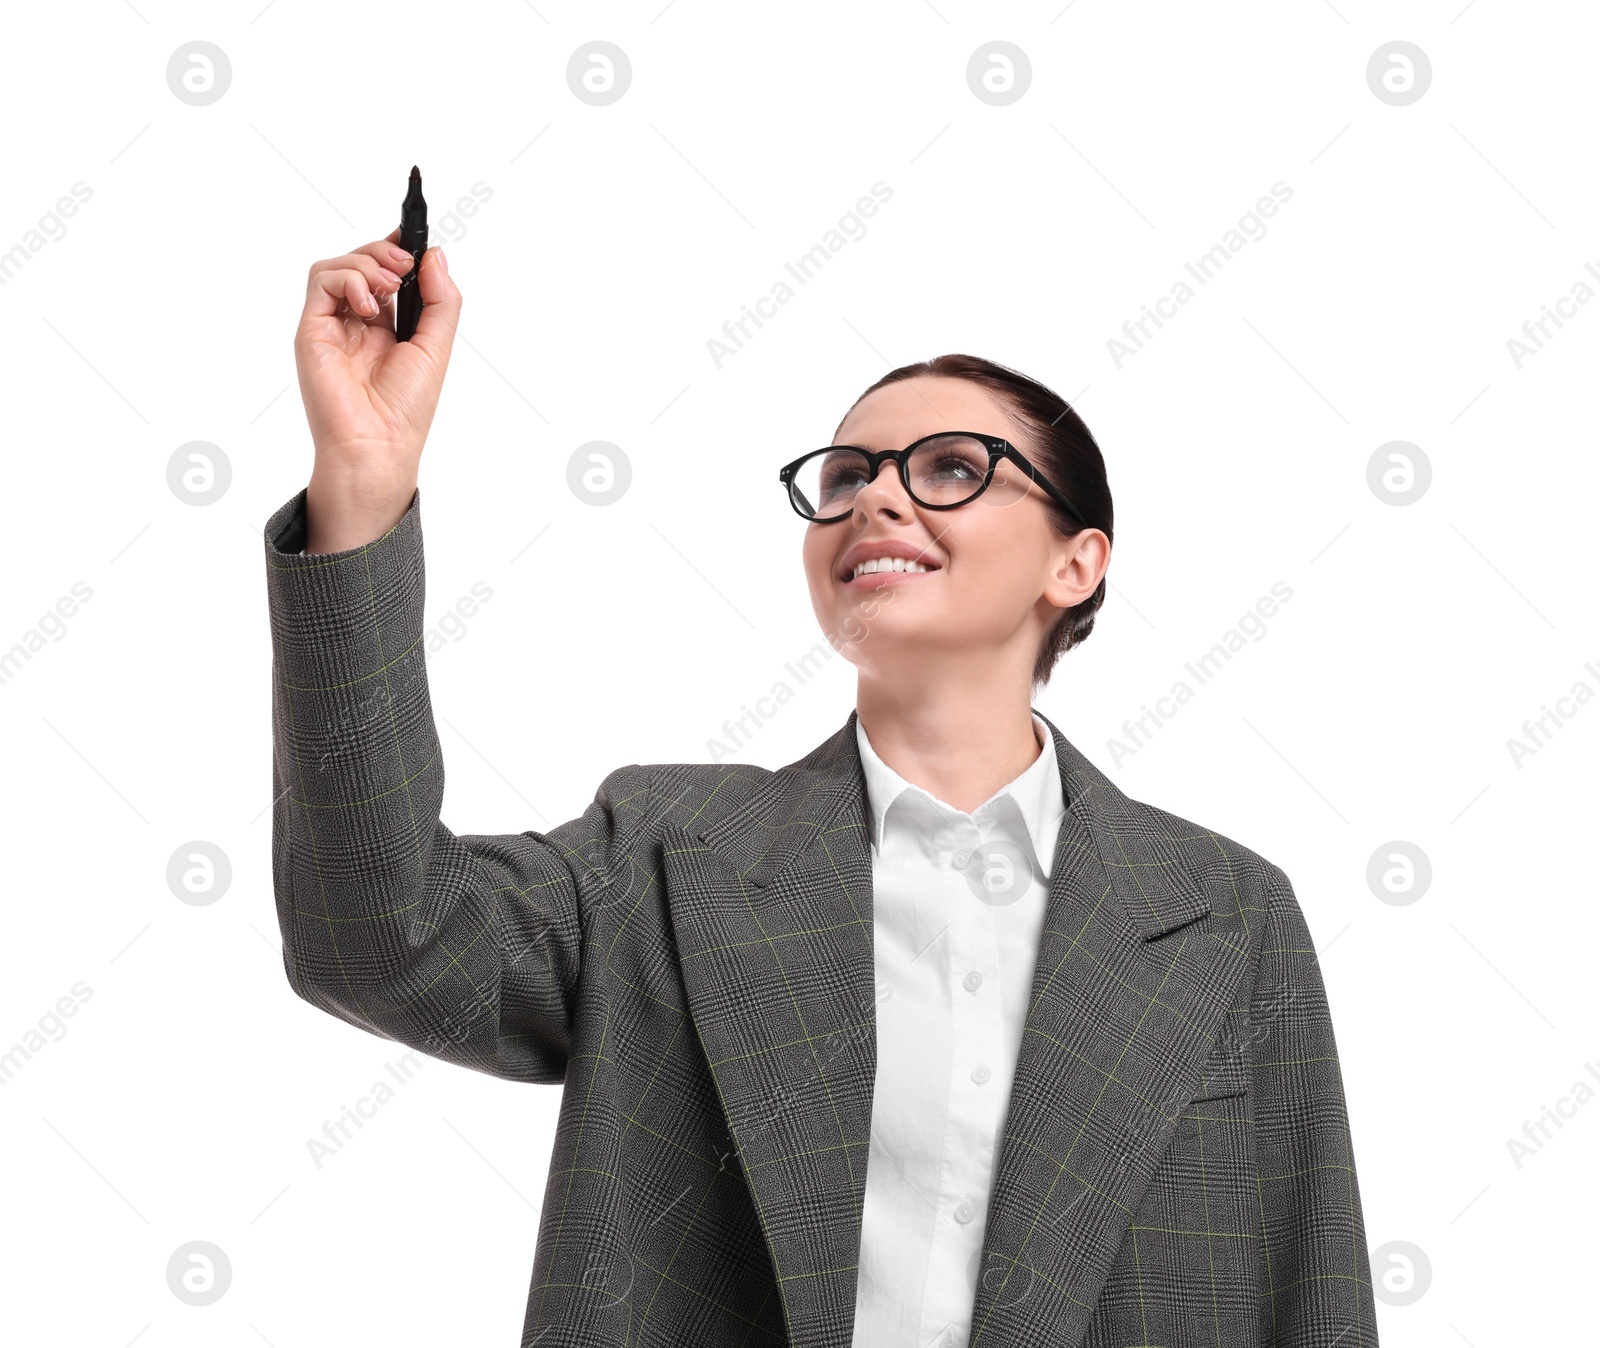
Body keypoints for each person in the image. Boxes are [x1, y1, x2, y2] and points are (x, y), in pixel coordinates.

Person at [263, 230, 1379, 1347]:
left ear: (1074, 564)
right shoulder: (663, 854)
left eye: (950, 468)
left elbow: (1307, 1295)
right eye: (847, 475)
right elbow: (378, 936)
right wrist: (361, 485)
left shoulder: (1222, 912)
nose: (876, 498)